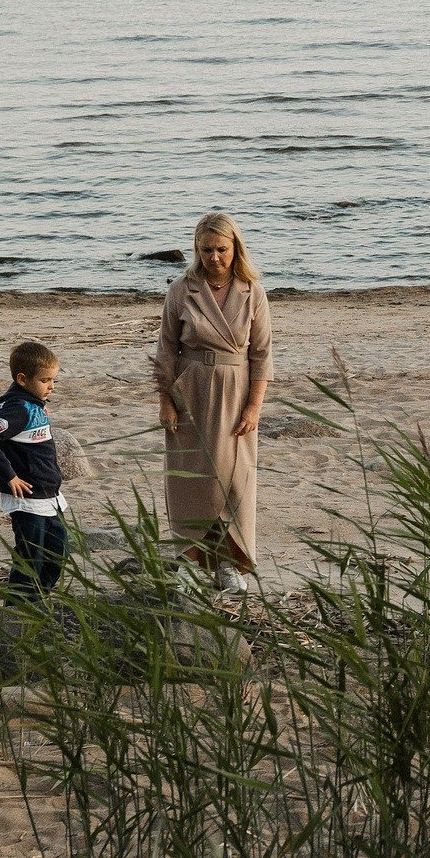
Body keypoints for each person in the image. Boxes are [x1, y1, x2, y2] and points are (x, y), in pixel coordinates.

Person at [153, 212, 273, 590]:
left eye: (221, 249)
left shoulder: (252, 291)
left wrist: (254, 408)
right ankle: (189, 559)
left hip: (236, 390)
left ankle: (229, 563)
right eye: (206, 250)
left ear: (235, 247)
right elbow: (166, 350)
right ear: (196, 249)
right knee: (190, 479)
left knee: (235, 479)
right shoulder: (181, 289)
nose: (214, 257)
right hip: (190, 390)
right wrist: (166, 401)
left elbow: (262, 356)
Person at [0, 340, 67, 599]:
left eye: (54, 380)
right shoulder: (20, 409)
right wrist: (9, 475)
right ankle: (18, 609)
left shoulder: (31, 403)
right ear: (23, 379)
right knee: (30, 556)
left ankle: (39, 598)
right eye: (45, 381)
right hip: (28, 497)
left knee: (58, 549)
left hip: (48, 493)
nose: (51, 387)